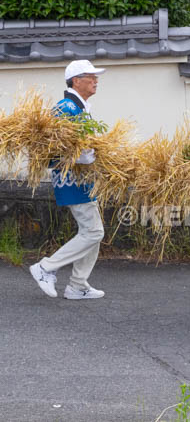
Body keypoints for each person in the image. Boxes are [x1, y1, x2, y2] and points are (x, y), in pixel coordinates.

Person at [29, 60, 107, 300]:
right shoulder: (66, 108)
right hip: (72, 178)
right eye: (90, 76)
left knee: (92, 230)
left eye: (96, 76)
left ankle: (78, 285)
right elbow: (66, 149)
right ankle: (46, 267)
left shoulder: (80, 108)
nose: (96, 80)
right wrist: (92, 154)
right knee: (93, 232)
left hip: (82, 178)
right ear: (76, 81)